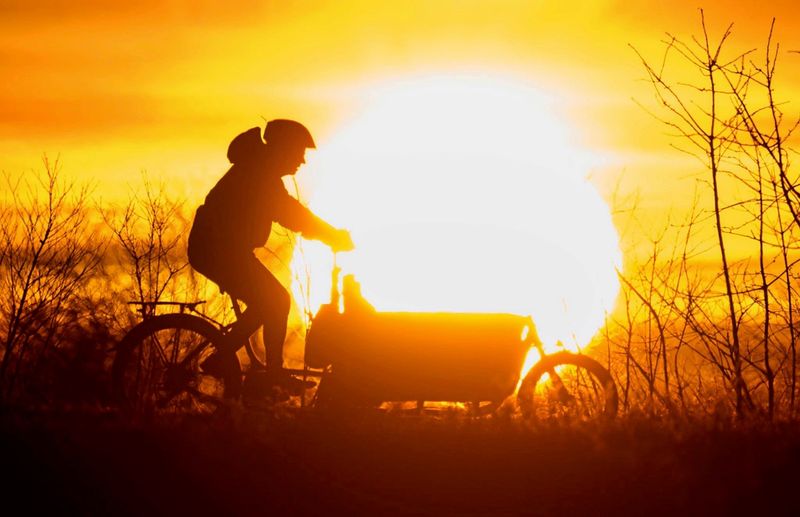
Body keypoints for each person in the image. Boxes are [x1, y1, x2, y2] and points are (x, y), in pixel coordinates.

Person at [188, 119, 354, 393]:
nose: (302, 160)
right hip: (217, 251)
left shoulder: (260, 170)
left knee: (268, 302)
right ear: (285, 149)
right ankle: (268, 372)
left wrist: (328, 235)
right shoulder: (258, 174)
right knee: (276, 300)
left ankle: (225, 357)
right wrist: (333, 236)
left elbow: (290, 215)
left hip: (224, 250)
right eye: (300, 152)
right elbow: (291, 214)